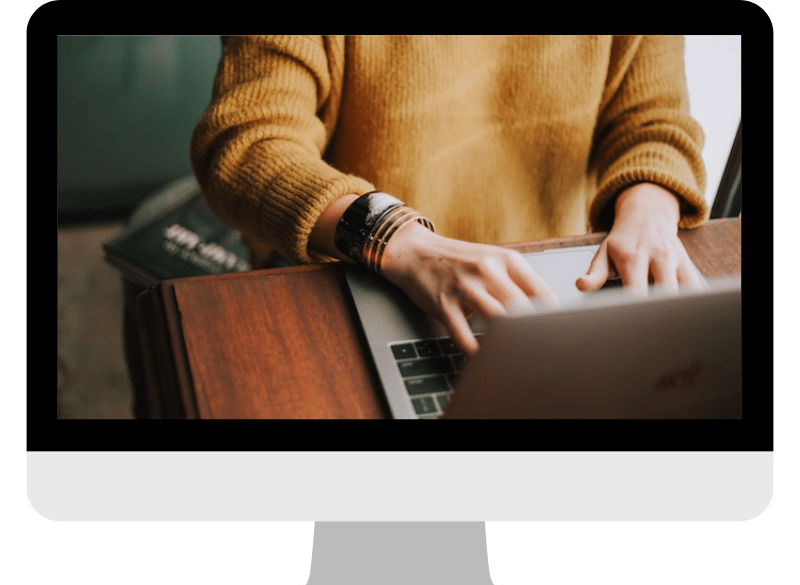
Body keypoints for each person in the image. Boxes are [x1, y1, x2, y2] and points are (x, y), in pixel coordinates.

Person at [190, 35, 708, 354]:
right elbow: (247, 144)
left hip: (553, 288)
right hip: (355, 272)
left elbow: (654, 122)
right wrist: (397, 239)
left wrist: (651, 208)